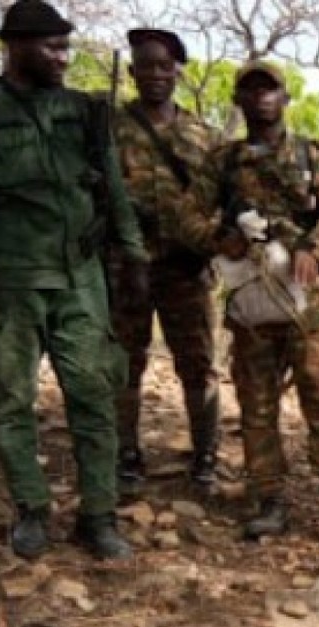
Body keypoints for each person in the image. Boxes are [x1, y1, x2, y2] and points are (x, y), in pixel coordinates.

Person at [0, 0, 149, 561]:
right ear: (16, 47)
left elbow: (113, 188)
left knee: (94, 392)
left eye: (67, 46)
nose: (63, 56)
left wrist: (132, 255)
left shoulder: (85, 111)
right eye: (52, 46)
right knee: (10, 396)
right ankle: (31, 509)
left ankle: (98, 516)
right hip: (11, 276)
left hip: (81, 277)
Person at [212, 61, 319, 551]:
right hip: (252, 292)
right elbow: (189, 214)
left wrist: (315, 247)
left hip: (306, 295)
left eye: (270, 89)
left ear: (285, 97)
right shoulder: (224, 162)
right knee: (257, 403)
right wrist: (220, 238)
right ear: (238, 99)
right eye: (250, 89)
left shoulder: (313, 155)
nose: (260, 98)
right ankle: (268, 498)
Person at [111, 27, 223, 492]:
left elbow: (222, 198)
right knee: (123, 362)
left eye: (164, 65)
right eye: (145, 64)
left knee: (197, 364)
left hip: (186, 267)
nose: (155, 74)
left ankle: (206, 455)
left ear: (177, 71)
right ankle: (126, 454)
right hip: (124, 265)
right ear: (132, 70)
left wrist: (212, 245)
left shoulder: (203, 135)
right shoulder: (110, 127)